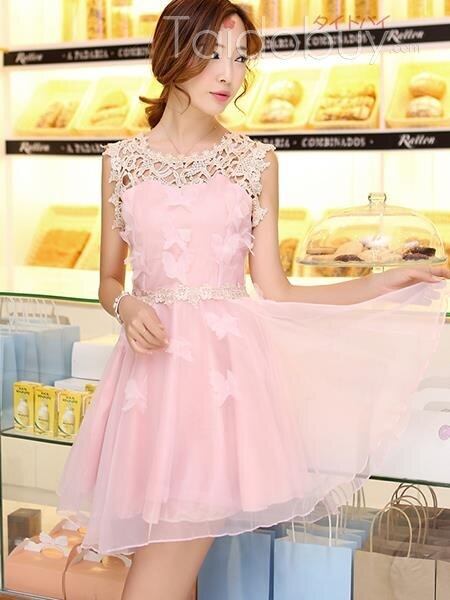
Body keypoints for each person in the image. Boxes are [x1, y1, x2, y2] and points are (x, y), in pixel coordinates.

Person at [56, 1, 450, 598]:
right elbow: (109, 280)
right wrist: (127, 306)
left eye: (240, 58)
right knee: (168, 574)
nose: (229, 73)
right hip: (147, 391)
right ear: (172, 54)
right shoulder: (121, 162)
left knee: (155, 579)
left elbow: (277, 288)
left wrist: (384, 283)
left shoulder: (254, 161)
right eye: (213, 53)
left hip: (221, 392)